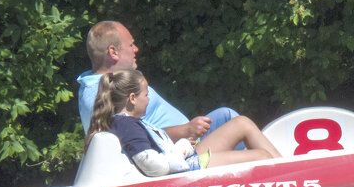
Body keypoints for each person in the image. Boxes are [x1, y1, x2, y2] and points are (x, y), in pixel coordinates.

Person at [85, 69, 280, 176]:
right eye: (146, 94)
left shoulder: (128, 122)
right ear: (133, 98)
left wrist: (184, 146)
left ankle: (296, 170)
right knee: (261, 156)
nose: (149, 99)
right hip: (186, 167)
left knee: (242, 123)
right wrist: (182, 148)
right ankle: (291, 178)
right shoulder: (127, 126)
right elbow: (155, 167)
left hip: (184, 160)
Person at [79, 20, 241, 144]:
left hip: (188, 139)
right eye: (131, 45)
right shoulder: (102, 92)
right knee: (241, 126)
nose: (136, 49)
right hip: (180, 152)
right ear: (113, 52)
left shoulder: (107, 82)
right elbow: (133, 138)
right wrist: (186, 130)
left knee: (227, 116)